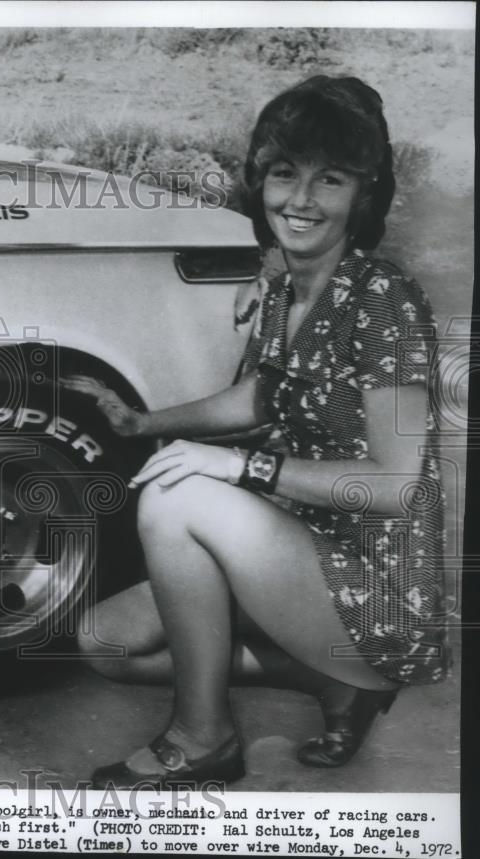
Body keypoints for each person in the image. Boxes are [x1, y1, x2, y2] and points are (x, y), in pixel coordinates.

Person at [63, 75, 449, 790]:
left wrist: (241, 471)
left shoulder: (386, 302)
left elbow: (400, 487)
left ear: (364, 194)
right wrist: (142, 422)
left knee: (178, 496)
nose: (300, 200)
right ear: (259, 181)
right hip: (296, 554)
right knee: (102, 642)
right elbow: (257, 399)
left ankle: (203, 737)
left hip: (377, 593)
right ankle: (329, 682)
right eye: (283, 173)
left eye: (328, 179)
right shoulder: (285, 283)